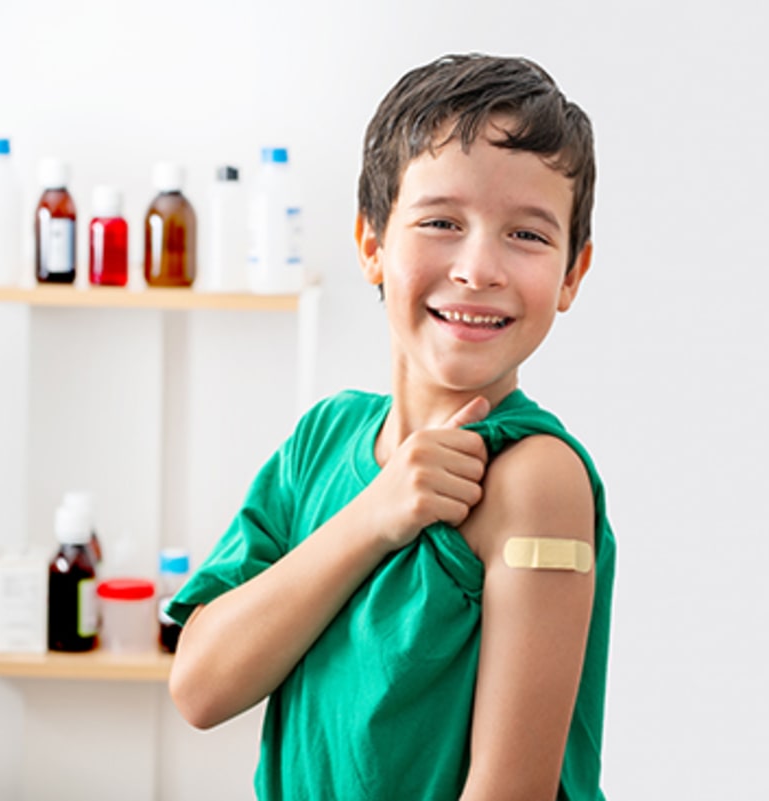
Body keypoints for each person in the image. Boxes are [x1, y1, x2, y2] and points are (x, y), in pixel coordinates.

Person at [167, 53, 616, 801]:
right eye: (441, 222)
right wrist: (375, 515)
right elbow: (200, 686)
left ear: (573, 272)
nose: (479, 268)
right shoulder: (322, 440)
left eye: (528, 235)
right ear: (372, 243)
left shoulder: (535, 480)